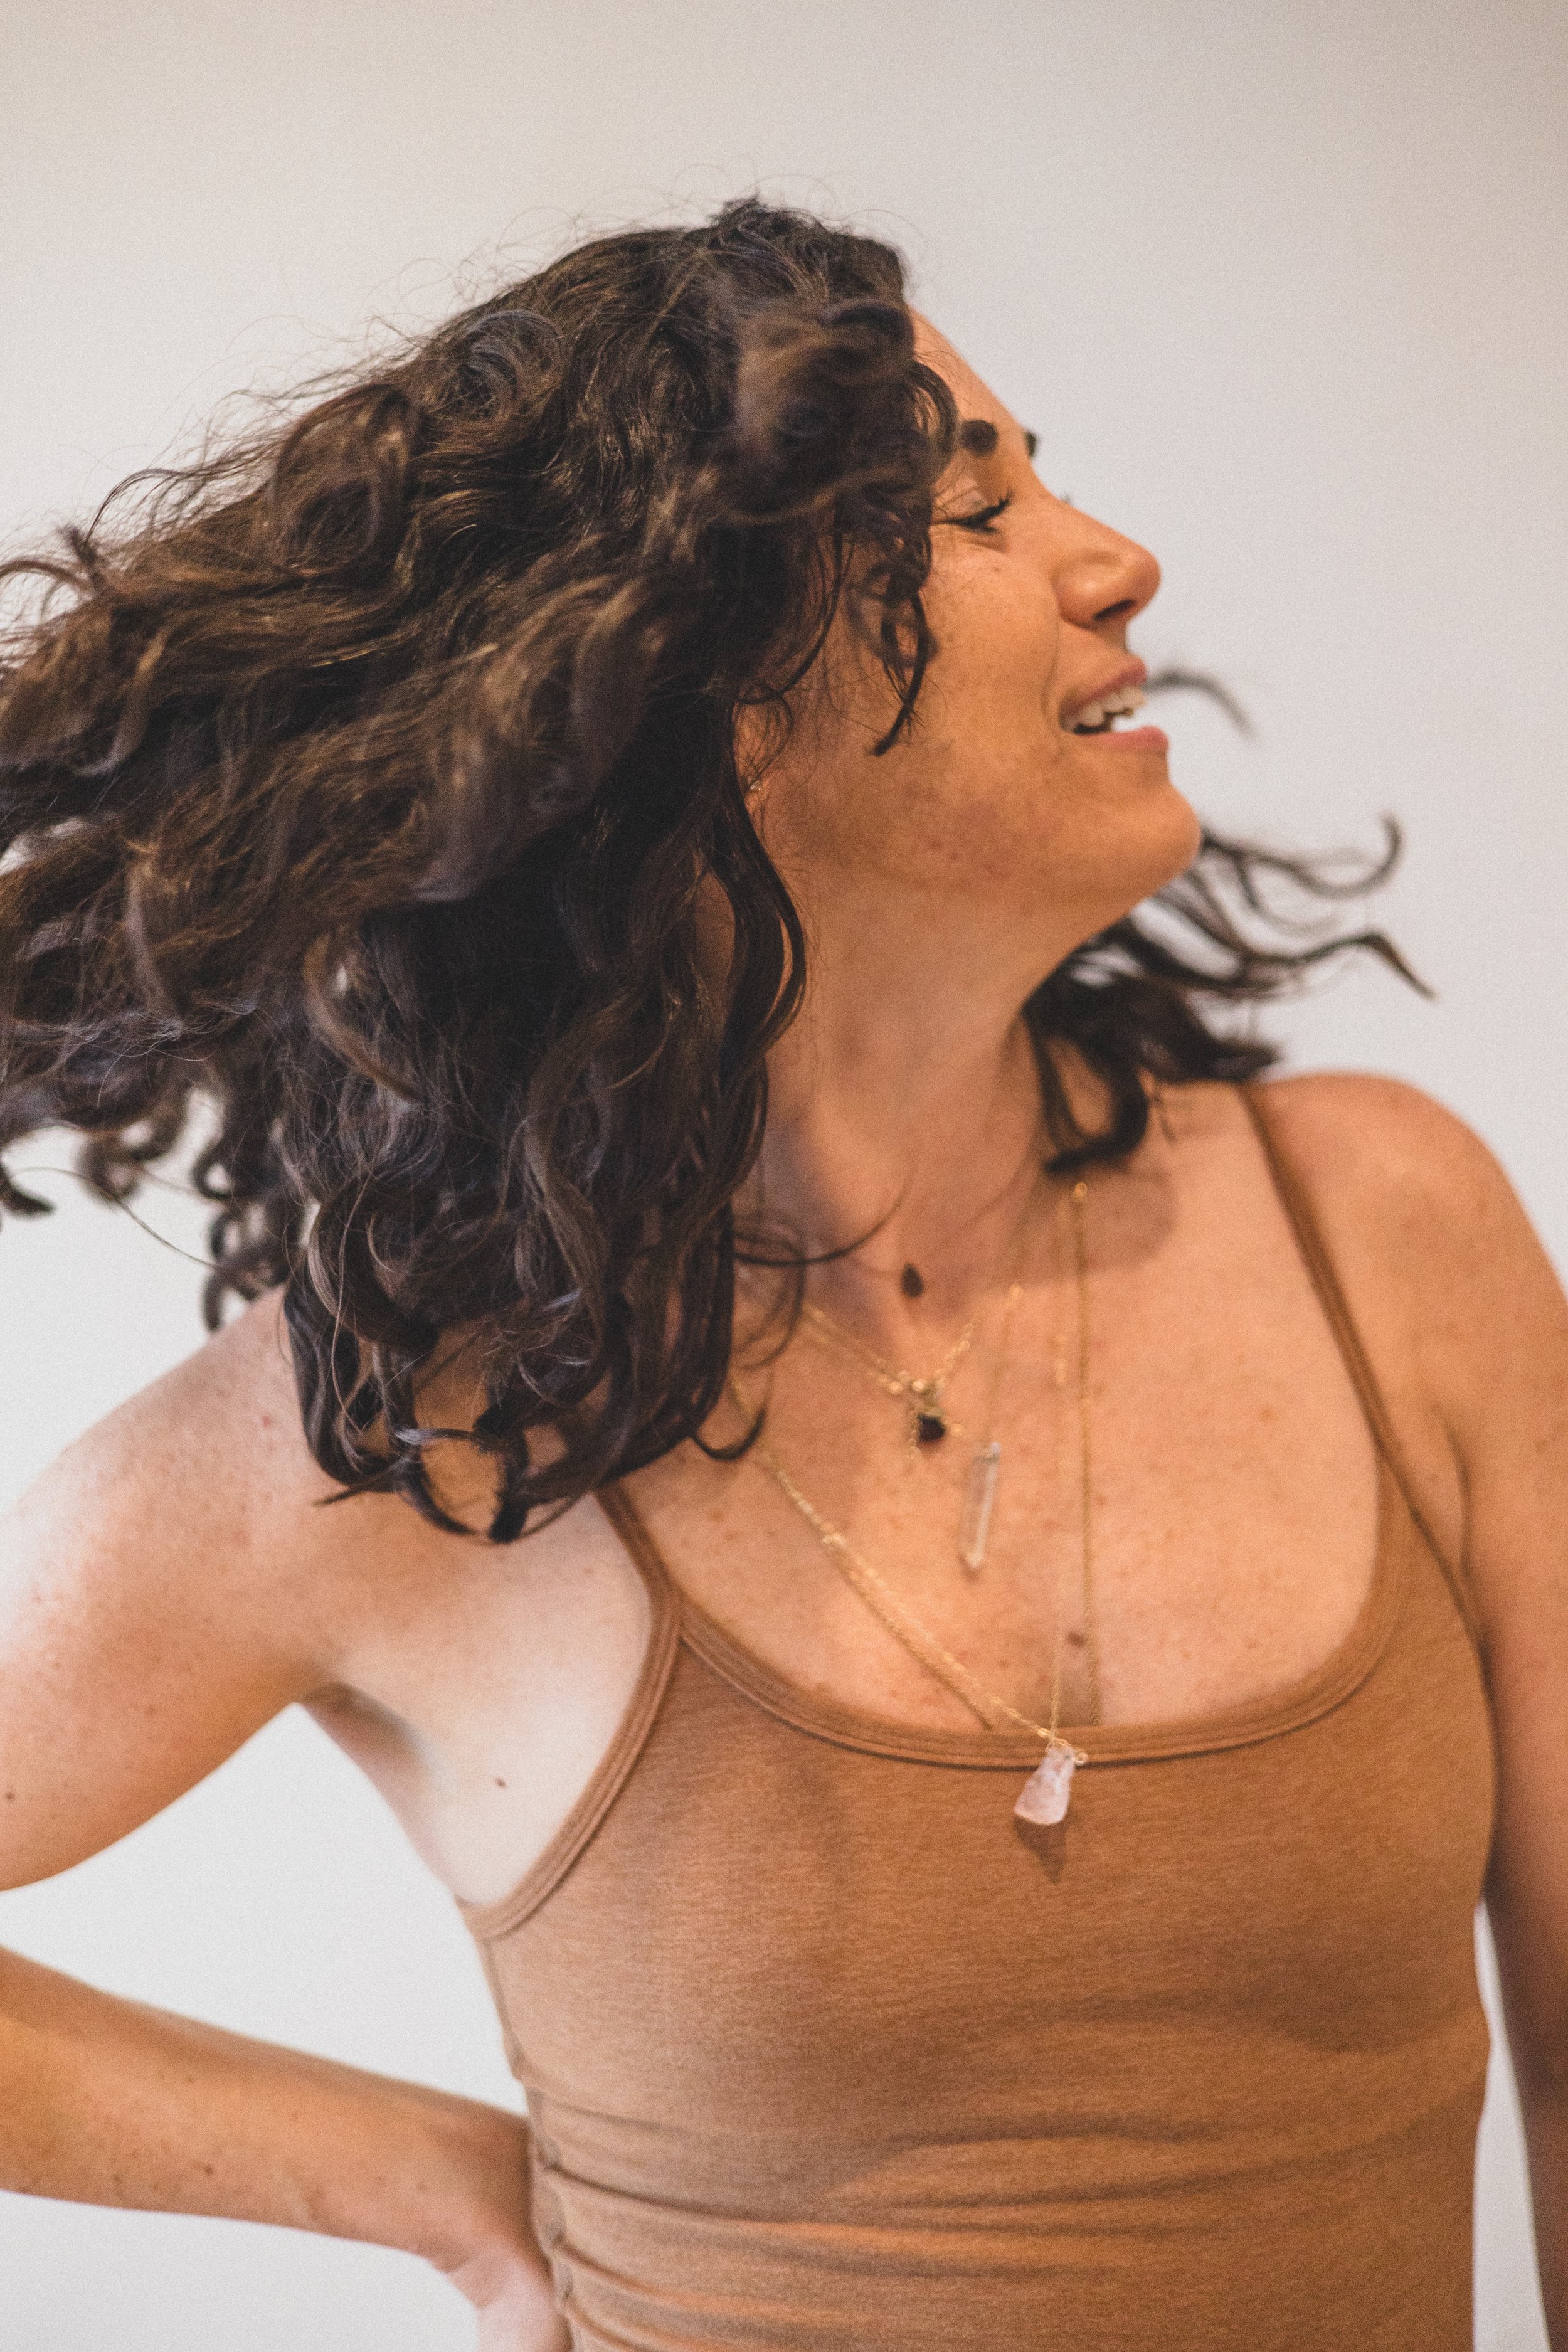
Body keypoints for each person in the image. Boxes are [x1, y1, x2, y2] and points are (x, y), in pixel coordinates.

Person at [0, 199, 1562, 2352]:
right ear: (700, 695)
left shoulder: (1389, 1227)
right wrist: (434, 2187)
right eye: (974, 511)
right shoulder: (403, 1444)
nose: (1117, 562)